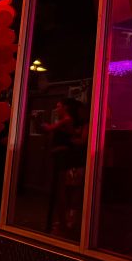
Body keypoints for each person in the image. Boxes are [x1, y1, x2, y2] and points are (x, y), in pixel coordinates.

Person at [39, 98, 87, 235]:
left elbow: (49, 128)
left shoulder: (67, 120)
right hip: (61, 157)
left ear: (65, 108)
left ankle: (63, 224)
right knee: (60, 191)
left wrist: (40, 123)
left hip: (62, 158)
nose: (57, 108)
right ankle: (61, 222)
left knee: (61, 191)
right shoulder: (67, 121)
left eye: (58, 106)